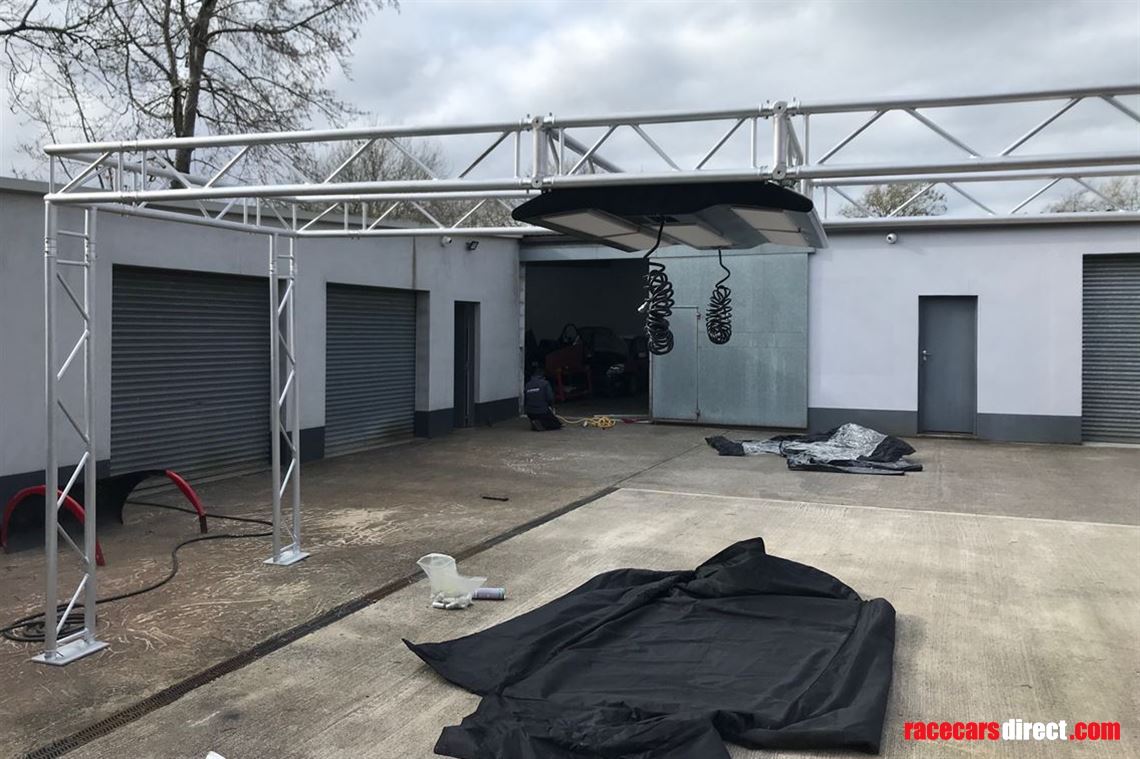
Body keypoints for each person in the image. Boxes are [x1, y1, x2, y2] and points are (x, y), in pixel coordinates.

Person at [524, 364, 562, 431]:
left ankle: (535, 422)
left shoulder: (527, 384)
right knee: (557, 424)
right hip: (542, 411)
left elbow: (526, 399)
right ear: (543, 375)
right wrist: (552, 406)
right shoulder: (545, 383)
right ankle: (542, 425)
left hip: (530, 412)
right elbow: (550, 397)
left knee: (541, 417)